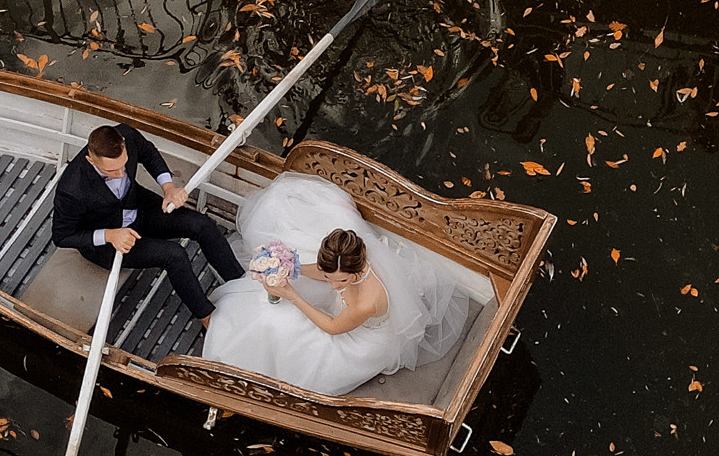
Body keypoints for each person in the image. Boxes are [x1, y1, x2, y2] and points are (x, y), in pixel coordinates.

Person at [202, 173, 493, 397]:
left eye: (339, 281)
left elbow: (332, 327)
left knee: (286, 330)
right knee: (271, 310)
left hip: (359, 342)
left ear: (356, 274)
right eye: (332, 277)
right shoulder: (350, 262)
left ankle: (255, 369)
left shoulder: (367, 301)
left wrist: (291, 295)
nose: (332, 285)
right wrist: (292, 268)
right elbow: (325, 273)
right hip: (344, 316)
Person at [51, 123, 246, 324]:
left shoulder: (127, 134)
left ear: (124, 144)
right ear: (90, 160)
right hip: (108, 242)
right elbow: (62, 236)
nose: (120, 173)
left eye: (123, 164)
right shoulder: (71, 188)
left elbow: (149, 154)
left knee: (202, 224)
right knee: (174, 255)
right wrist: (110, 235)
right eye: (111, 170)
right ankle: (207, 318)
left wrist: (168, 187)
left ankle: (241, 284)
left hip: (139, 208)